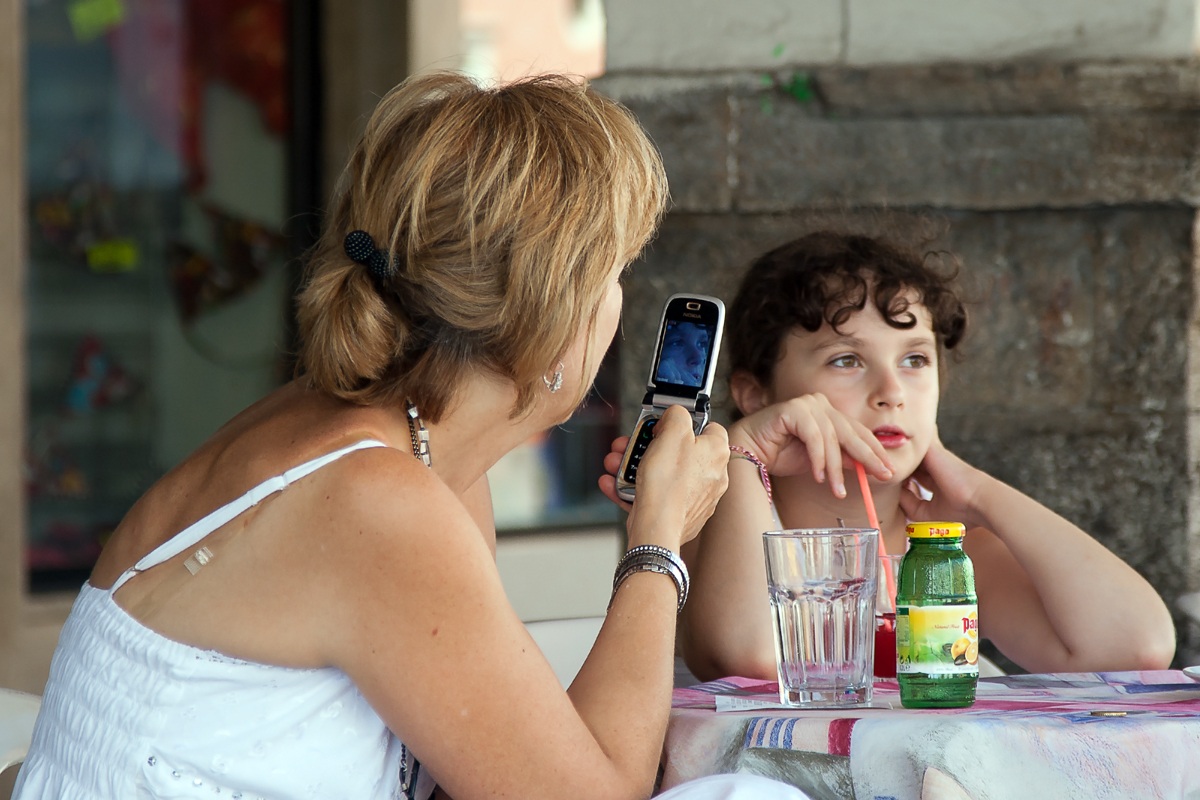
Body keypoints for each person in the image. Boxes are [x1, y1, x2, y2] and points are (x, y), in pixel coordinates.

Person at [14, 73, 813, 800]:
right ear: (555, 314)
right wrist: (659, 540)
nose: (619, 301)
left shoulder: (405, 446)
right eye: (612, 273)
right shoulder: (375, 496)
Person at [674, 230, 1177, 683]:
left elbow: (1137, 647)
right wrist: (740, 449)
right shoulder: (712, 527)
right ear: (758, 395)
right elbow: (752, 658)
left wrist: (979, 494)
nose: (892, 391)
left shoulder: (946, 552)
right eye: (846, 360)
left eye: (914, 359)